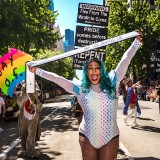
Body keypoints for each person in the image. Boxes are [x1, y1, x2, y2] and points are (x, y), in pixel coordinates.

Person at [28, 31, 142, 160]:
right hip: (87, 136)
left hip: (110, 136)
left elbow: (125, 60)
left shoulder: (113, 81)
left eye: (97, 67)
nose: (93, 70)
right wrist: (38, 70)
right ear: (86, 72)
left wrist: (136, 42)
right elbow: (57, 78)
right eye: (90, 68)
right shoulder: (79, 88)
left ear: (101, 70)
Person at [16, 82, 43, 158]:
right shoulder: (21, 97)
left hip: (33, 119)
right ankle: (24, 149)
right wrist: (24, 95)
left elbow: (40, 107)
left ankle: (31, 150)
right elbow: (20, 103)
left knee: (31, 134)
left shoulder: (35, 99)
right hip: (23, 119)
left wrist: (34, 106)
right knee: (23, 134)